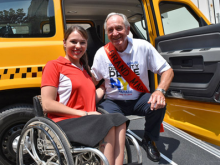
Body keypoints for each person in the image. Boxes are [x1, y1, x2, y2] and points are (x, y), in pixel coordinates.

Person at [91, 12, 174, 162]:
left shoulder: (142, 47)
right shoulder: (101, 54)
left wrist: (160, 91)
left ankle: (149, 138)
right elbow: (92, 80)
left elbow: (167, 70)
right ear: (106, 33)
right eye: (110, 30)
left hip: (138, 99)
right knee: (110, 119)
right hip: (113, 102)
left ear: (128, 29)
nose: (115, 33)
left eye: (119, 28)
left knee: (158, 104)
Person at [41, 25, 129, 165]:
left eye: (82, 42)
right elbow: (47, 104)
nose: (78, 46)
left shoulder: (84, 69)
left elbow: (90, 97)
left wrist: (105, 87)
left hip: (87, 120)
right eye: (73, 41)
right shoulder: (54, 66)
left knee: (120, 119)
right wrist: (84, 114)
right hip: (64, 123)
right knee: (106, 122)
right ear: (64, 43)